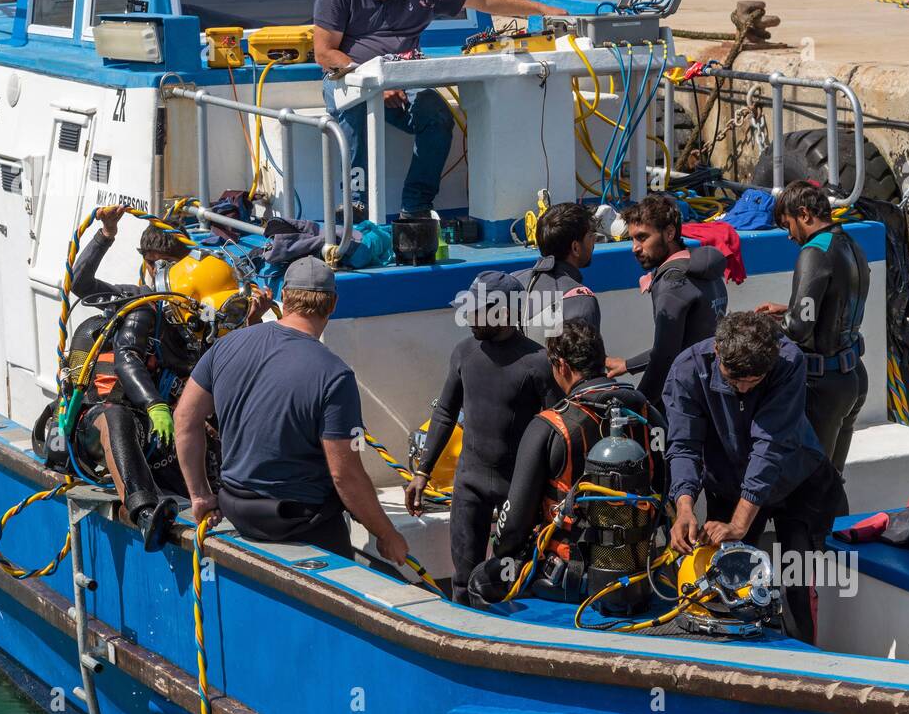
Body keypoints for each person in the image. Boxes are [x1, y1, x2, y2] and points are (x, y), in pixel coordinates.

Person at [313, 0, 567, 221]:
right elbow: (324, 53)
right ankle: (355, 203)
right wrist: (373, 83)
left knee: (436, 114)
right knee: (353, 108)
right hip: (349, 79)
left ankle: (416, 206)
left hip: (404, 80)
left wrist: (541, 10)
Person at [174, 257, 409, 565]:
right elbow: (345, 476)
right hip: (298, 521)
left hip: (236, 507)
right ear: (333, 304)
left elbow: (185, 419)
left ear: (284, 297)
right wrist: (387, 534)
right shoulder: (335, 376)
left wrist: (201, 496)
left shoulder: (227, 346)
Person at [663, 311, 848, 645]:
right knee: (727, 586)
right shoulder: (686, 371)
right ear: (717, 351)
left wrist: (739, 524)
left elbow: (770, 446)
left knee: (796, 586)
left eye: (754, 381)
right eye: (734, 380)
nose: (744, 388)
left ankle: (802, 668)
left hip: (797, 481)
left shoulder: (789, 360)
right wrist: (685, 507)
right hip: (728, 484)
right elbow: (683, 445)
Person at [468, 320, 666, 604]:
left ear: (561, 365)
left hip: (572, 579)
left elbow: (513, 525)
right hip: (643, 570)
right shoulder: (648, 413)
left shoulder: (550, 426)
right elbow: (664, 485)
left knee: (480, 580)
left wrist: (503, 552)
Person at [64, 207, 221, 552]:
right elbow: (82, 286)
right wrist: (106, 234)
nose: (159, 272)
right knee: (116, 418)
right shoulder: (135, 300)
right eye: (155, 263)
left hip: (167, 424)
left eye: (169, 263)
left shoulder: (198, 312)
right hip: (107, 419)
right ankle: (145, 513)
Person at [404, 271, 558, 603]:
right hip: (470, 483)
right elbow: (445, 412)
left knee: (516, 585)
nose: (470, 317)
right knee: (462, 584)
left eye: (478, 310)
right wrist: (422, 473)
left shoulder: (538, 364)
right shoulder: (464, 353)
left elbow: (557, 432)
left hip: (517, 492)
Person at [755, 181, 869, 472]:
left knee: (814, 485)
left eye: (788, 225)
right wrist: (787, 310)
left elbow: (798, 330)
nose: (789, 236)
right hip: (853, 374)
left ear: (804, 214)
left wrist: (755, 327)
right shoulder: (850, 243)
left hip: (823, 385)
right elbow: (836, 302)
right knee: (833, 478)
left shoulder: (814, 252)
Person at [605, 193, 728, 411]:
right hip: (715, 389)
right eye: (632, 239)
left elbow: (665, 355)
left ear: (669, 233)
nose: (634, 247)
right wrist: (628, 365)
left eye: (642, 238)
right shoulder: (701, 268)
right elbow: (684, 341)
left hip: (688, 398)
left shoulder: (671, 283)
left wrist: (640, 404)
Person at [510, 203, 601, 341]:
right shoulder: (581, 300)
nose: (594, 240)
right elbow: (584, 361)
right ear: (575, 248)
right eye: (590, 236)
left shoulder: (512, 280)